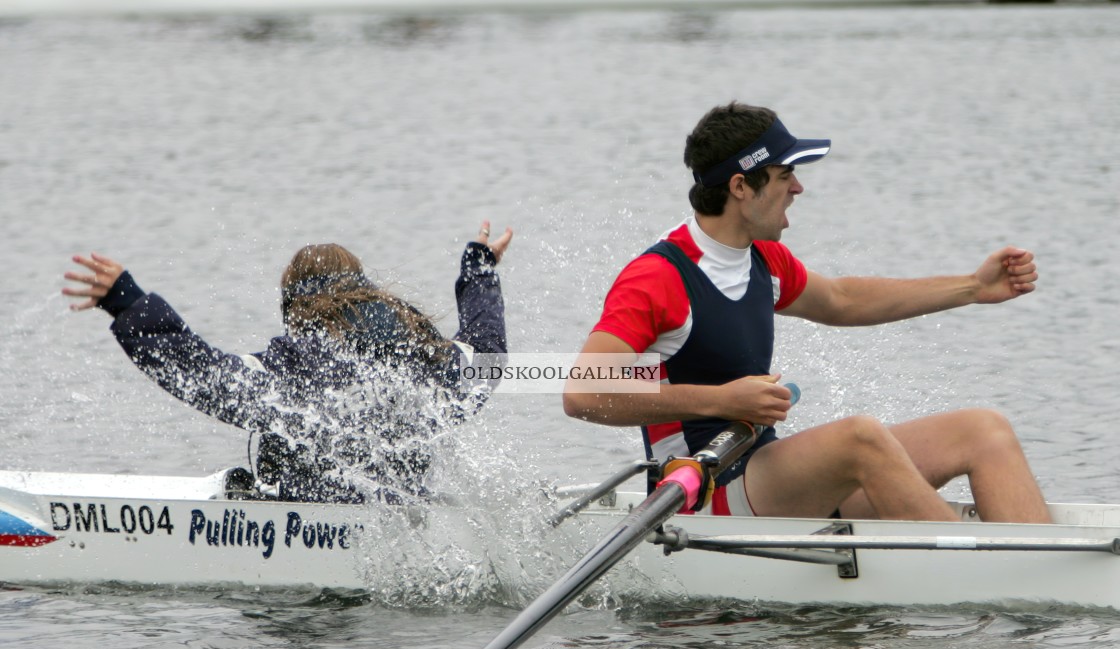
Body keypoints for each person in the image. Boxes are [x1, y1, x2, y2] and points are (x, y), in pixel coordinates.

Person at [563, 102, 1051, 524]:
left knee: (982, 429)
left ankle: (1036, 572)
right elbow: (583, 393)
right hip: (701, 501)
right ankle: (975, 564)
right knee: (858, 437)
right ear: (740, 186)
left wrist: (971, 286)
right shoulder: (658, 279)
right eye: (784, 175)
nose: (798, 188)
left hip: (768, 479)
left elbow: (842, 300)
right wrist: (722, 400)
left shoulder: (763, 259)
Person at [64, 221, 512, 503]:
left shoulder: (295, 366)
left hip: (307, 531)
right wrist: (479, 269)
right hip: (398, 528)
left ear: (296, 306)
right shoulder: (425, 355)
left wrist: (128, 303)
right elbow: (488, 353)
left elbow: (200, 371)